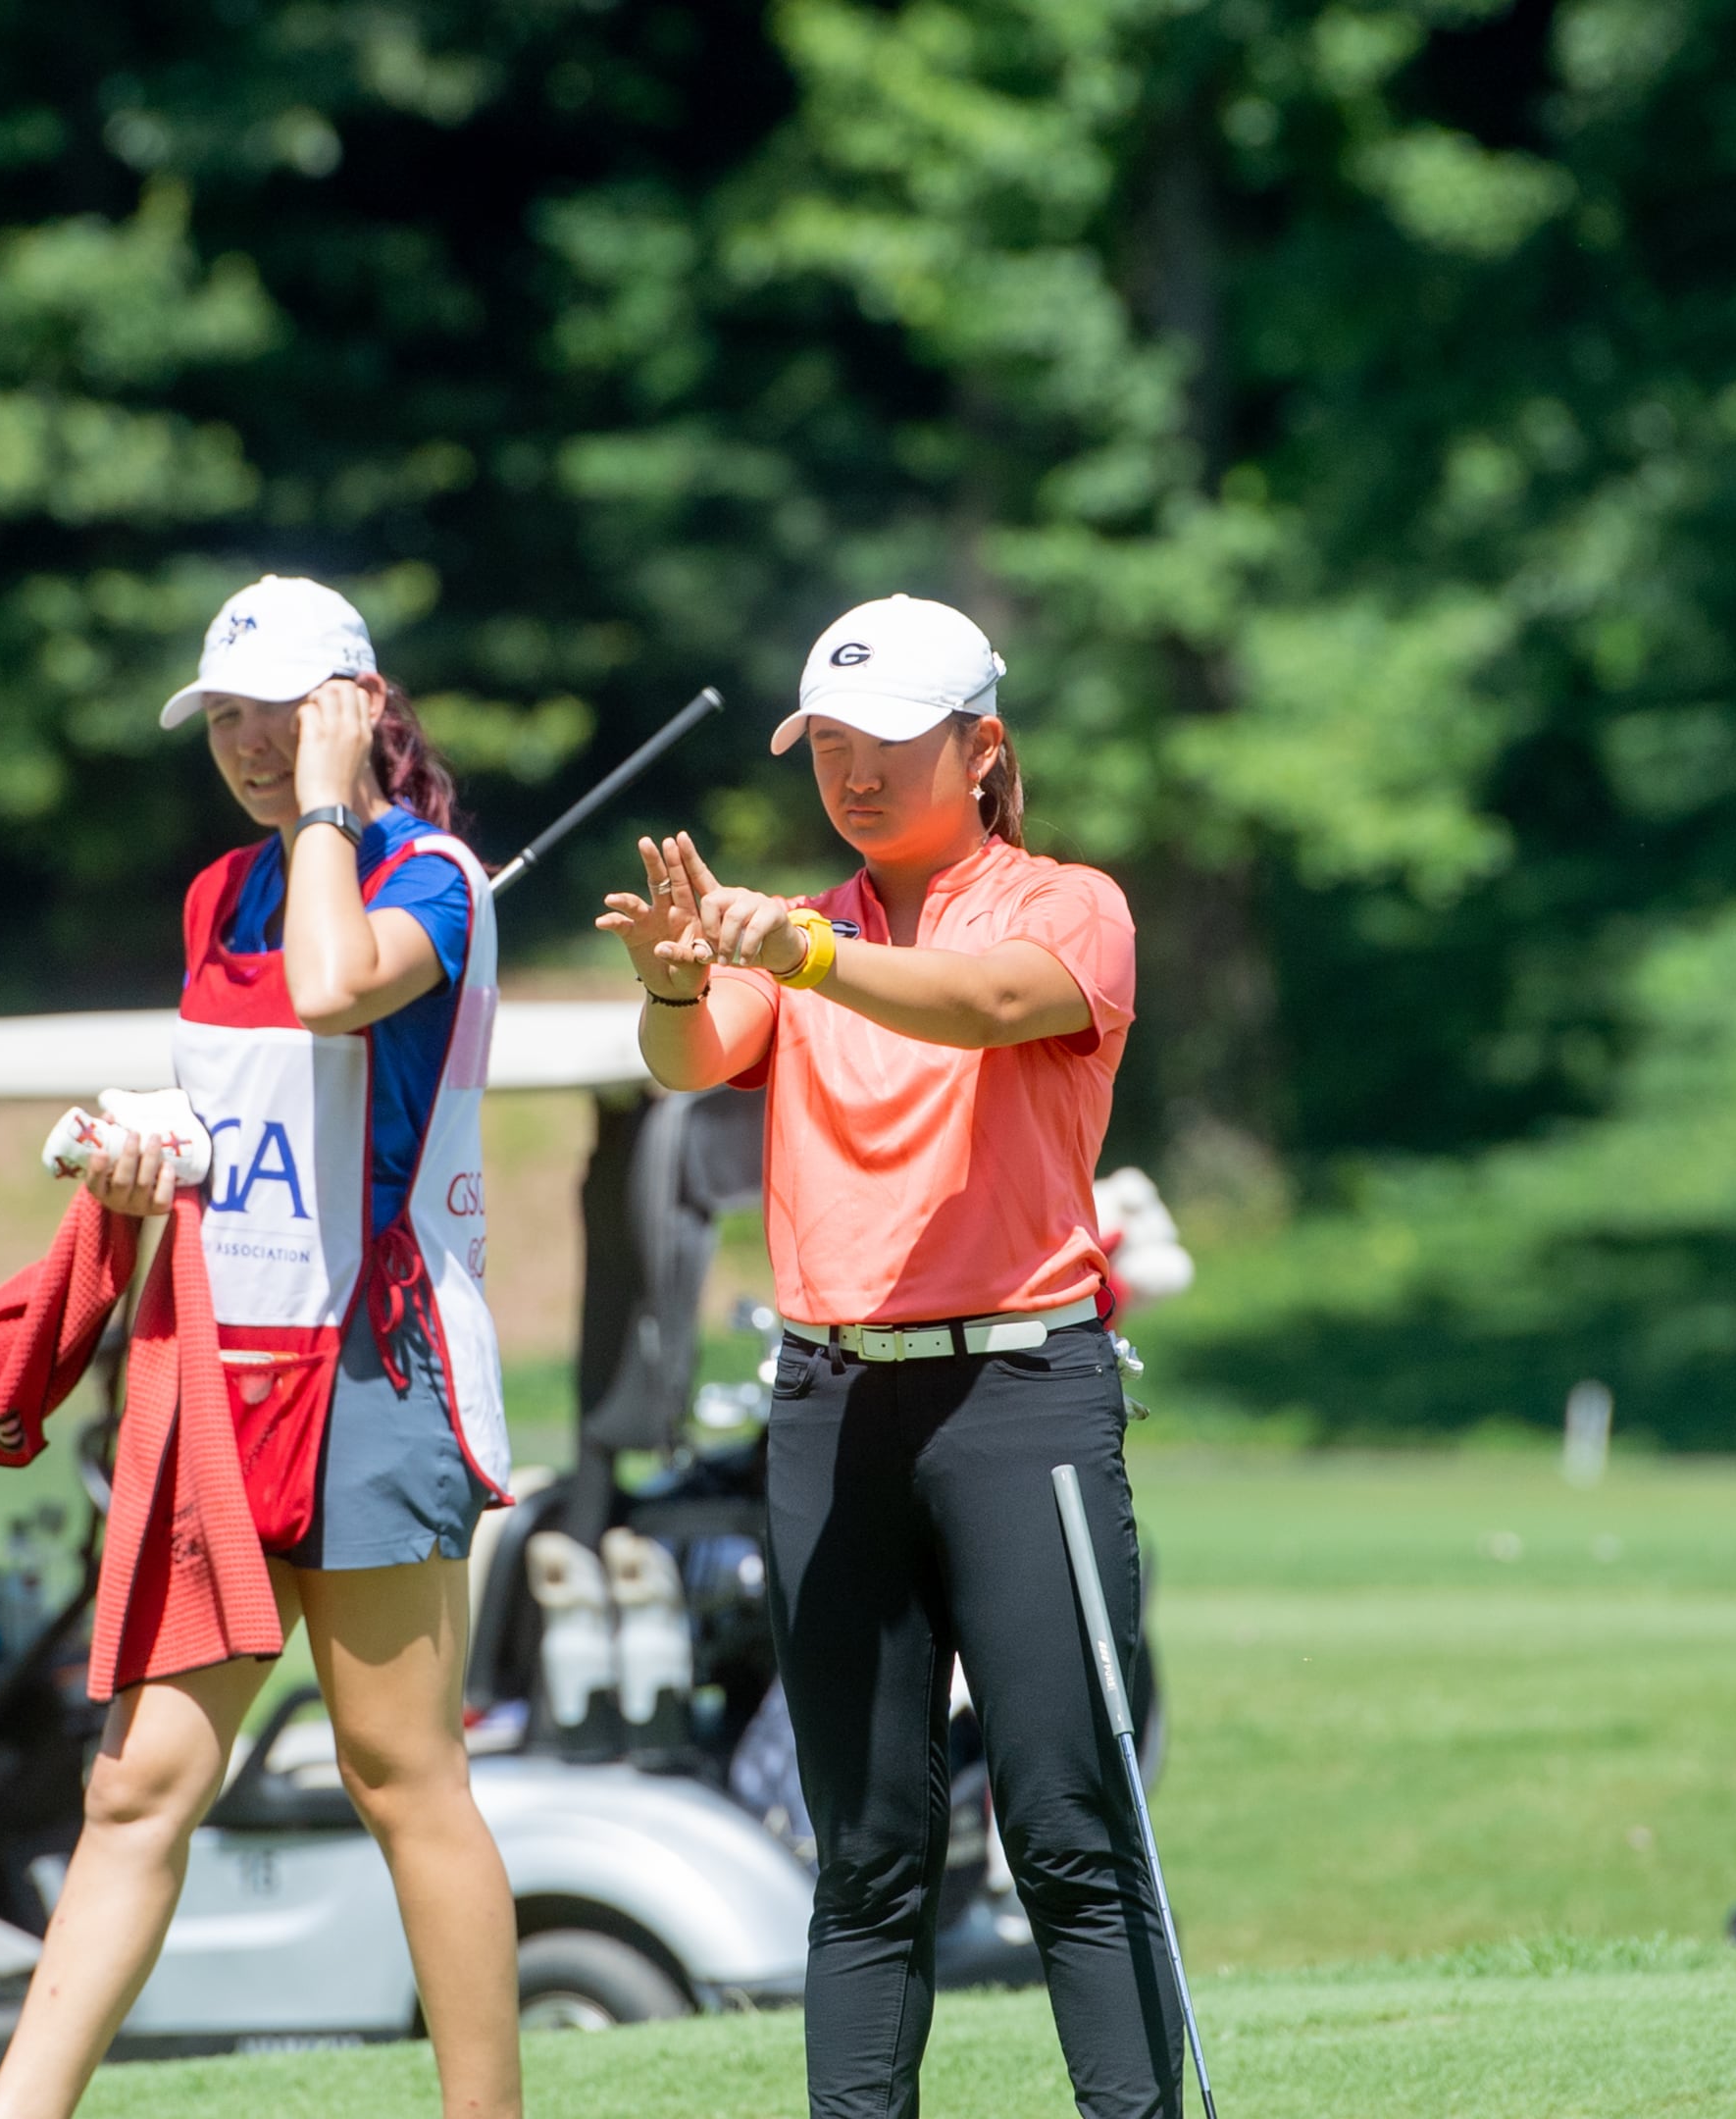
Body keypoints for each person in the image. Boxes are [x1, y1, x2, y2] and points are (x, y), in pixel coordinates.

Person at [597, 594, 1165, 2119]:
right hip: (831, 1402)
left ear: (982, 751)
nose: (852, 775)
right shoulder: (806, 935)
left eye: (891, 747)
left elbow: (983, 1008)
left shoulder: (1066, 906)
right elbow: (684, 1052)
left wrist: (795, 951)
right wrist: (675, 975)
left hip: (1020, 1398)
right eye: (829, 747)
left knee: (1066, 1826)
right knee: (859, 1849)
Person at [0, 574, 522, 2119]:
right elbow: (246, 1120)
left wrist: (333, 812)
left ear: (356, 709)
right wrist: (153, 1145)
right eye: (224, 719)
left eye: (280, 716)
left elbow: (340, 995)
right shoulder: (221, 894)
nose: (250, 747)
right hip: (227, 1371)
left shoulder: (432, 882)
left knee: (395, 1773)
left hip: (377, 1371)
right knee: (140, 1777)